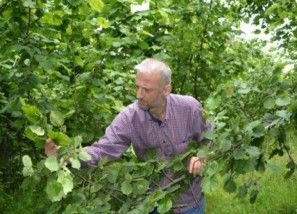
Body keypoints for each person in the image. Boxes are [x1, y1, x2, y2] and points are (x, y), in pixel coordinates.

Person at [45, 58, 209, 214]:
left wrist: (204, 157)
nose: (139, 95)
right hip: (153, 202)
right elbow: (103, 149)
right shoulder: (130, 117)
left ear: (166, 90)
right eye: (137, 87)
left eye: (147, 90)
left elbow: (211, 138)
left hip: (190, 202)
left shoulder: (190, 108)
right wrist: (66, 154)